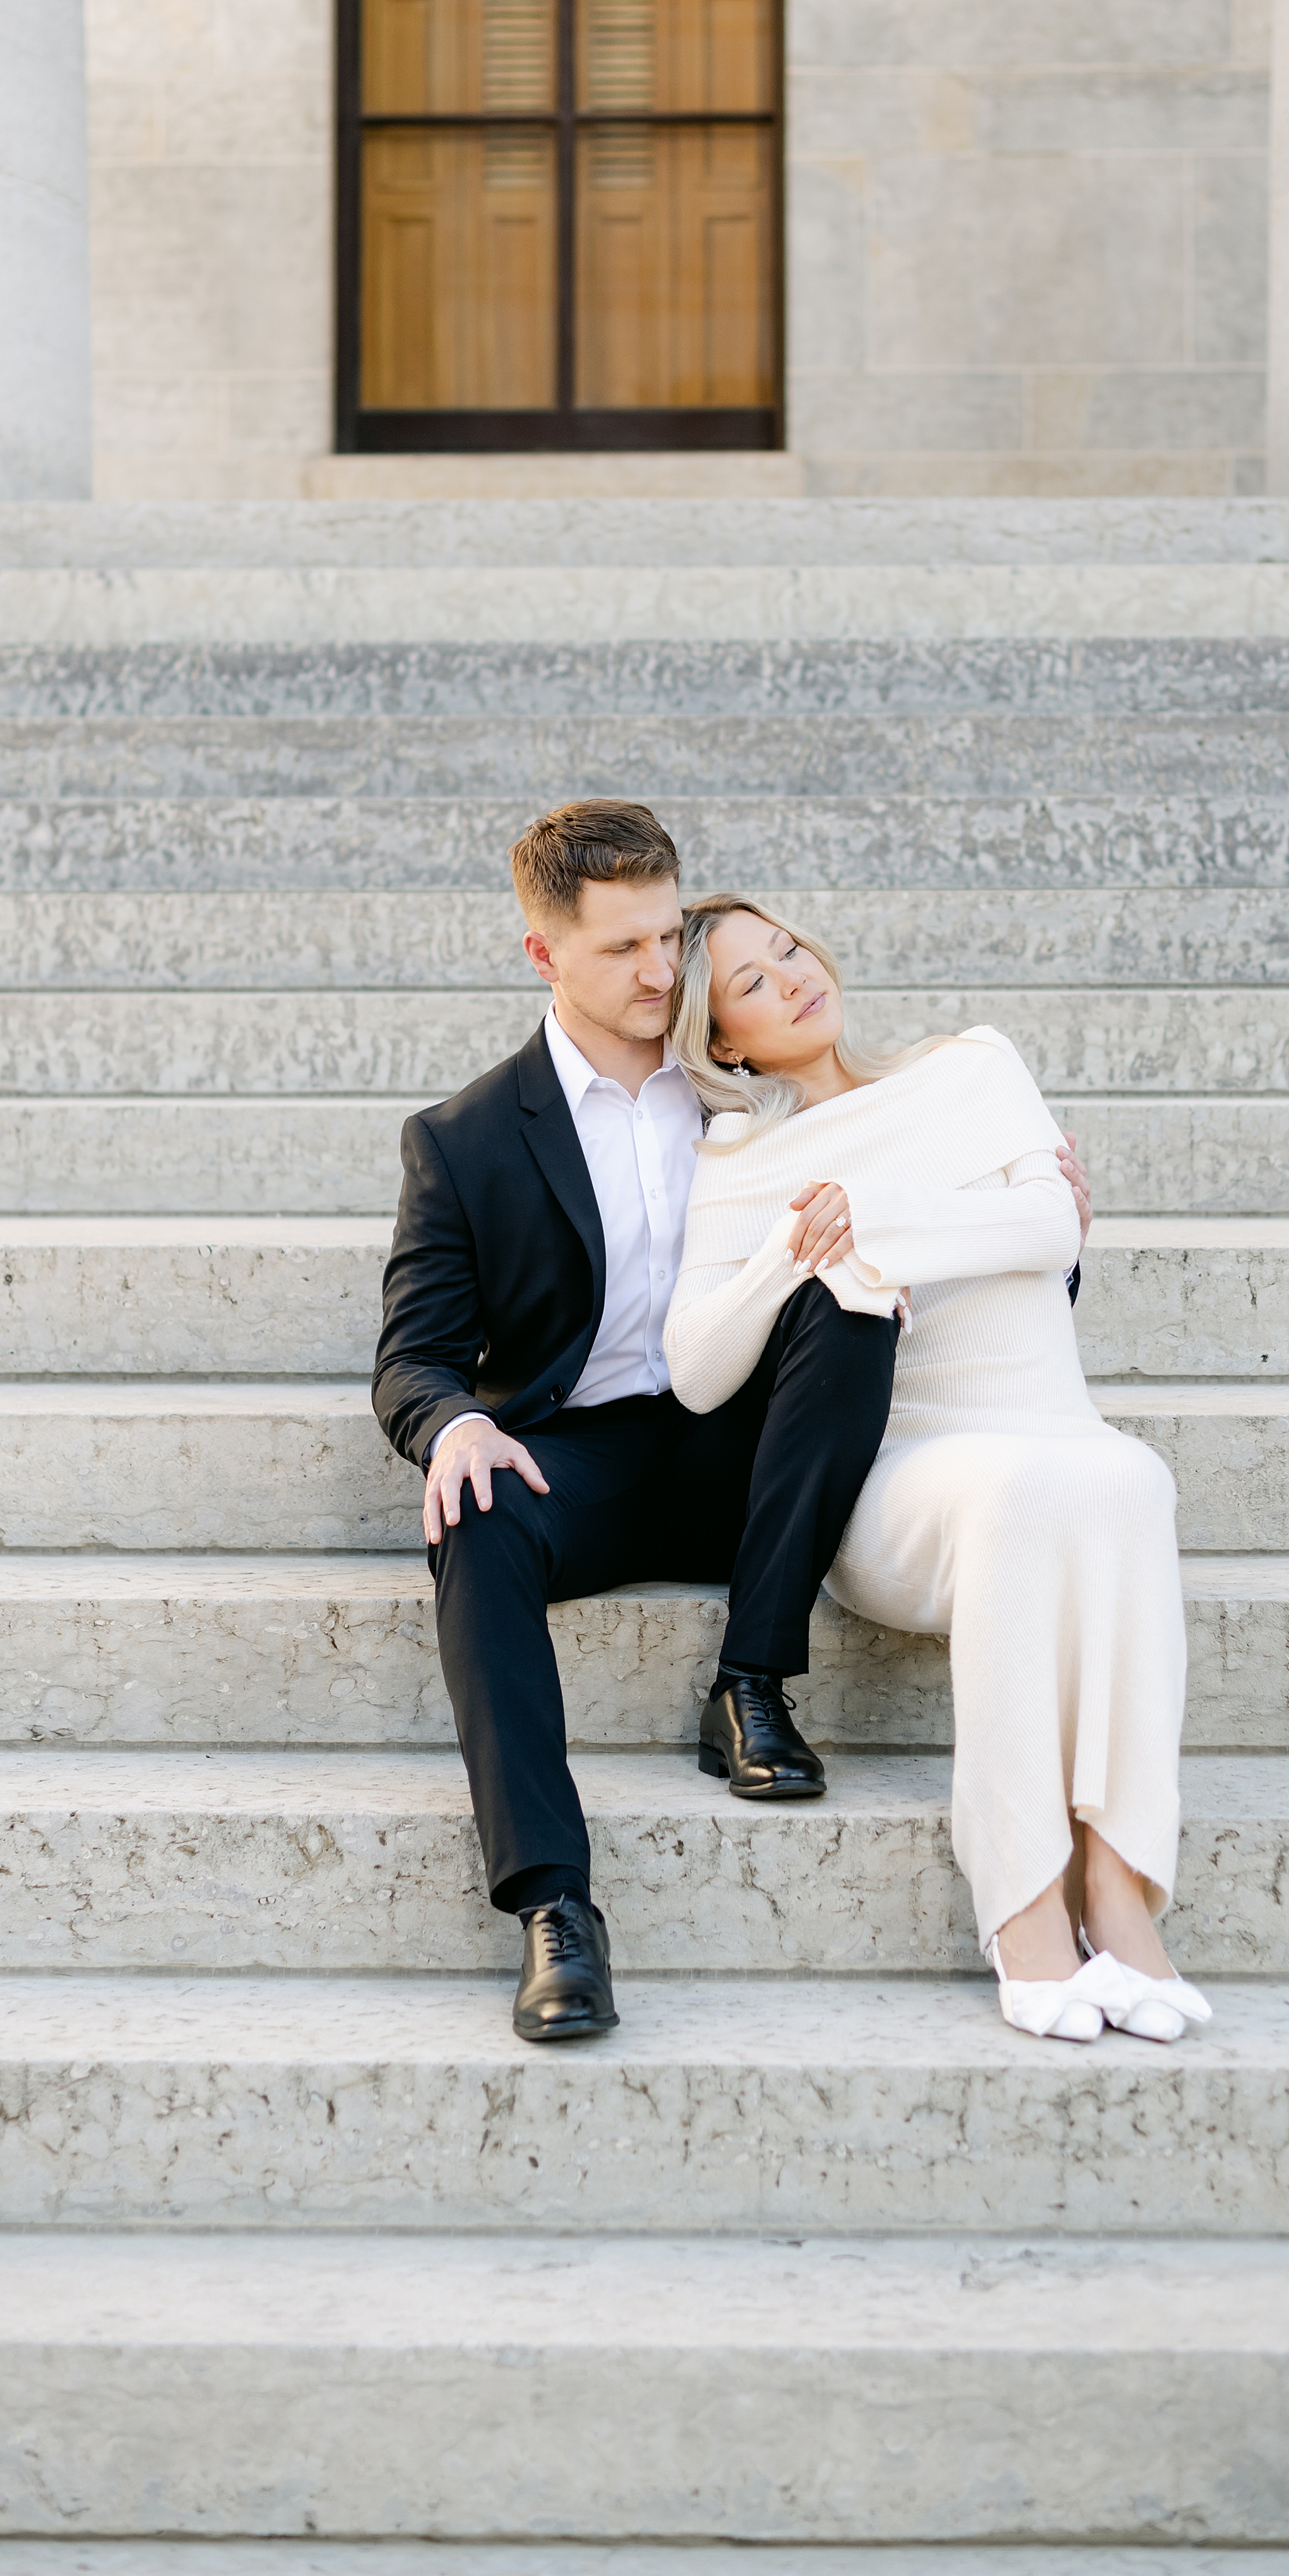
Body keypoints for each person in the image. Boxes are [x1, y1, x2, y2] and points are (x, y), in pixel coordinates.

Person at [371, 803, 902, 2047]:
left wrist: (1055, 1234)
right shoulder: (463, 1140)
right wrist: (453, 1427)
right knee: (473, 1512)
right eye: (624, 948)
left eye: (670, 935)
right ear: (543, 955)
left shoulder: (747, 1073)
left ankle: (750, 1684)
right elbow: (414, 1358)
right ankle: (554, 1907)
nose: (664, 971)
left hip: (754, 1446)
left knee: (847, 1295)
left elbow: (928, 1210)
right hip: (588, 1454)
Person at [662, 895, 1210, 2047]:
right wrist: (795, 1249)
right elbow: (698, 1370)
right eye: (753, 983)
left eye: (790, 949)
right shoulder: (742, 1156)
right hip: (906, 1476)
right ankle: (1023, 1906)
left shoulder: (972, 1065)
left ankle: (1119, 1890)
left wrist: (876, 1217)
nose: (793, 978)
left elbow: (1050, 1227)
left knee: (1131, 1478)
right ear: (725, 1044)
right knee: (1013, 1493)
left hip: (1050, 1421)